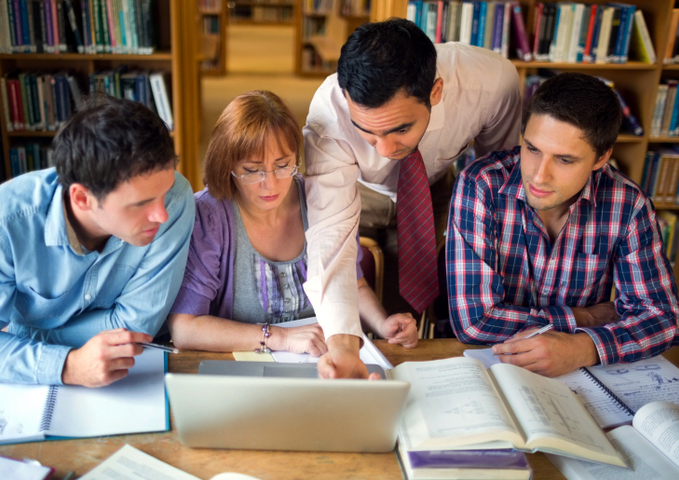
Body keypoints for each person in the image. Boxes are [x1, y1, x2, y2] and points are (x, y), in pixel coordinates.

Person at [303, 18, 522, 378]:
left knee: (406, 323)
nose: (387, 149)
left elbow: (499, 184)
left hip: (431, 189)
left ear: (435, 92)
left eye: (401, 129)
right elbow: (330, 237)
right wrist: (343, 344)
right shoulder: (328, 115)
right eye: (367, 132)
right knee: (362, 307)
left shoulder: (492, 83)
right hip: (360, 191)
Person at [447, 72, 679, 377]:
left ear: (602, 158)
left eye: (565, 160)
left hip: (578, 373)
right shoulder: (481, 184)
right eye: (532, 149)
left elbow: (663, 317)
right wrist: (583, 318)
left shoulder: (628, 204)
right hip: (490, 366)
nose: (539, 176)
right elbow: (474, 322)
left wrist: (583, 348)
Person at [167, 91, 417, 357]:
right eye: (253, 171)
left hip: (322, 363)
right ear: (227, 165)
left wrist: (382, 324)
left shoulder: (322, 199)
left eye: (283, 165)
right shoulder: (209, 215)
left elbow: (351, 285)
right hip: (243, 370)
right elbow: (184, 329)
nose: (271, 184)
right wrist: (281, 338)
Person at [0, 95, 195, 387]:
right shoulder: (8, 222)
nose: (162, 215)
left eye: (163, 193)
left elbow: (135, 330)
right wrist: (68, 366)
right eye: (141, 203)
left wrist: (22, 334)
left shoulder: (177, 197)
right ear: (82, 197)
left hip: (132, 375)